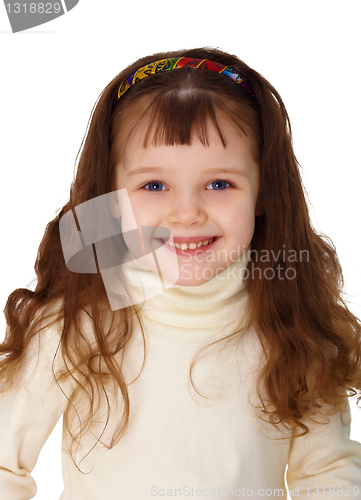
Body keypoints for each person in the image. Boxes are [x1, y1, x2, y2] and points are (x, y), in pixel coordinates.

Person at [1, 47, 361, 500]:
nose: (187, 212)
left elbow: (327, 473)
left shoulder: (293, 328)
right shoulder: (76, 324)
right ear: (110, 199)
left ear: (264, 193)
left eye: (219, 184)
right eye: (154, 185)